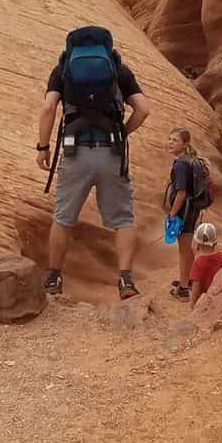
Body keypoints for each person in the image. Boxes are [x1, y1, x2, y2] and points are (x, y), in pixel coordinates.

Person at [36, 26, 150, 299]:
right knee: (123, 219)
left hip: (75, 152)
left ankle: (54, 279)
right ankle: (125, 281)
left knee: (63, 218)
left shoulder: (62, 70)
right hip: (111, 151)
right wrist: (123, 131)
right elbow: (144, 110)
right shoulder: (118, 70)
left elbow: (49, 108)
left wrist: (43, 147)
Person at [164, 128, 204, 301]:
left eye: (175, 140)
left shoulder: (181, 163)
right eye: (170, 138)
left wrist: (172, 215)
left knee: (184, 249)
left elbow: (180, 193)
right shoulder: (191, 160)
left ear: (185, 144)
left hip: (184, 210)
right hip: (192, 208)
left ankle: (183, 290)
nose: (170, 142)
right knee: (187, 247)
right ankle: (187, 280)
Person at [187, 222, 222, 306]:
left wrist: (193, 303)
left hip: (204, 302)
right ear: (215, 241)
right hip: (219, 298)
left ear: (198, 243)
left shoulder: (198, 263)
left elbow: (196, 287)